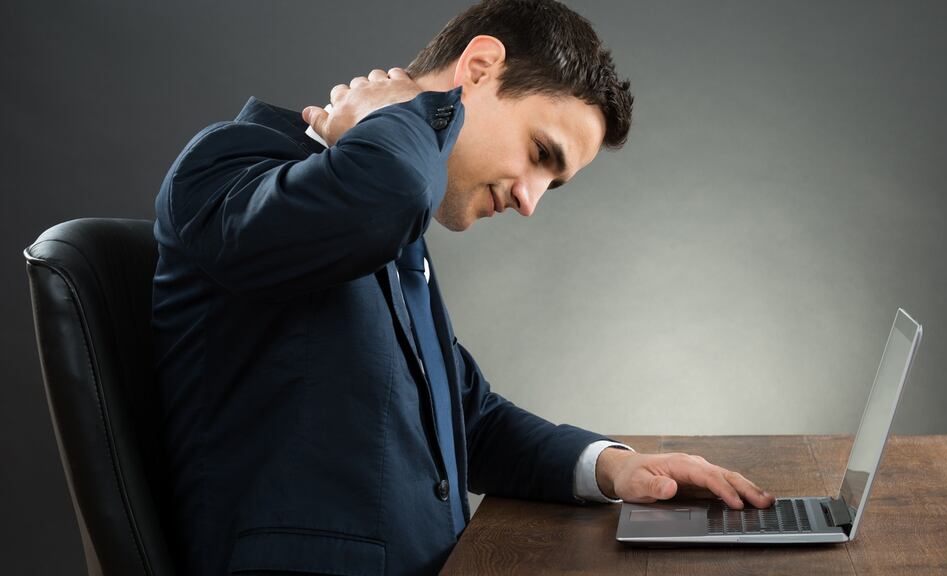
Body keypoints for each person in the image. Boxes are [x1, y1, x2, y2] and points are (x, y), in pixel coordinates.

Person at [151, 1, 774, 574]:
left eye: (552, 184)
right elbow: (390, 195)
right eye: (539, 153)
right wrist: (398, 114)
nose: (530, 201)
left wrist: (617, 467)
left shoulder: (388, 221)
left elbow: (468, 418)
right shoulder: (232, 164)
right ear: (478, 68)